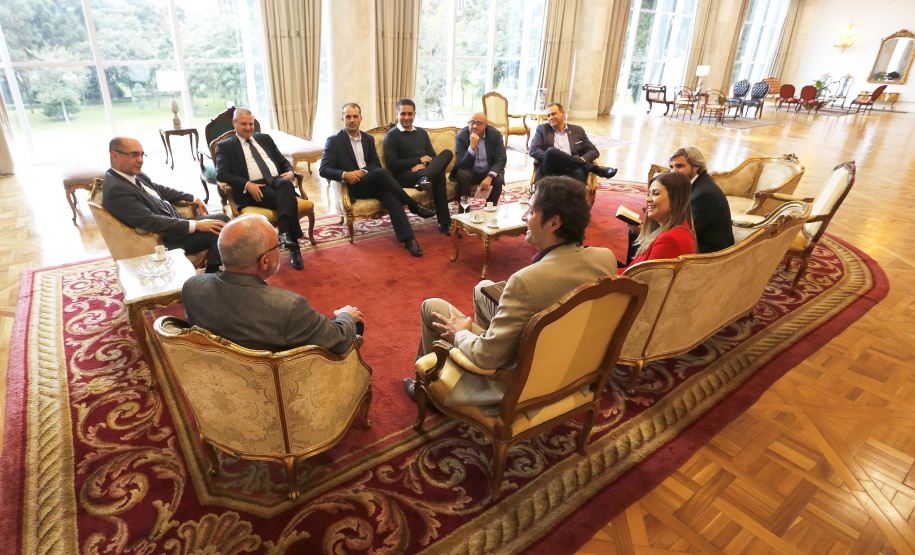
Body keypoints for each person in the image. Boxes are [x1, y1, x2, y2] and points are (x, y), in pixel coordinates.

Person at [403, 176, 618, 408]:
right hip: (571, 369)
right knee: (483, 288)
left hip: (518, 384)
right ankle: (492, 336)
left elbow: (486, 358)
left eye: (532, 211)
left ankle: (427, 388)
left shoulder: (526, 282)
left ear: (555, 222)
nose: (524, 217)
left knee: (431, 306)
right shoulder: (605, 258)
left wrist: (460, 333)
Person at [183, 214, 363, 354]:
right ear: (264, 261)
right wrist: (346, 316)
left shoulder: (192, 286)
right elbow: (339, 341)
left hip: (217, 382)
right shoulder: (289, 307)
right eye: (279, 245)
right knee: (355, 325)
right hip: (276, 388)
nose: (281, 249)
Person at [320, 102, 435, 257]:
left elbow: (375, 163)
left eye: (355, 116)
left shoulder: (368, 139)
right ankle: (413, 204)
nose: (352, 120)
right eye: (348, 117)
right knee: (381, 173)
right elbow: (323, 169)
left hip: (372, 182)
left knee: (391, 195)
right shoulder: (334, 141)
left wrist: (362, 171)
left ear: (361, 118)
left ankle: (410, 240)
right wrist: (345, 174)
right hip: (354, 186)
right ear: (343, 119)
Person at [102, 136, 228, 273]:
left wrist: (191, 197)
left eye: (141, 154)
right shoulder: (117, 189)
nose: (140, 160)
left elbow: (157, 189)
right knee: (219, 229)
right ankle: (216, 276)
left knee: (223, 219)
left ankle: (221, 271)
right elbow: (150, 220)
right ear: (115, 155)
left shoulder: (131, 174)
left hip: (176, 225)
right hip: (167, 240)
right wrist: (197, 225)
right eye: (134, 155)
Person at [214, 107, 307, 270]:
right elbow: (221, 174)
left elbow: (283, 161)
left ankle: (284, 233)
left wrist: (291, 173)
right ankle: (295, 249)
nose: (249, 128)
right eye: (244, 124)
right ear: (234, 123)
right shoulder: (226, 146)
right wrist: (246, 184)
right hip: (254, 188)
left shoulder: (264, 139)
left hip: (276, 181)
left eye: (251, 124)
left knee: (286, 184)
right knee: (288, 198)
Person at [623, 146, 734, 264]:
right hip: (690, 239)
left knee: (640, 232)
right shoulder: (690, 185)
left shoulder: (705, 193)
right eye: (672, 167)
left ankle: (630, 274)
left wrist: (645, 230)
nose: (674, 171)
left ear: (696, 167)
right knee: (638, 230)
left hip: (707, 254)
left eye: (679, 166)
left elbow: (689, 229)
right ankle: (630, 268)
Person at [383, 98, 455, 235]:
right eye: (403, 114)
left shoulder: (421, 132)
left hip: (423, 171)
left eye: (410, 114)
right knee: (439, 175)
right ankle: (444, 223)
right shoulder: (392, 136)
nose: (406, 117)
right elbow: (392, 164)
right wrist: (418, 160)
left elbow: (433, 157)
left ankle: (426, 178)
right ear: (397, 114)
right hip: (404, 175)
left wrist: (424, 164)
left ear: (414, 114)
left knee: (447, 153)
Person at [619, 172, 696, 273]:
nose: (648, 199)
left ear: (674, 200)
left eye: (656, 193)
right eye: (648, 194)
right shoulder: (676, 227)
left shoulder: (669, 239)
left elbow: (645, 282)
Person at [528, 102, 617, 183]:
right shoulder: (542, 129)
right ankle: (595, 169)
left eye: (553, 114)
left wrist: (580, 160)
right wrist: (554, 157)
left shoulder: (577, 130)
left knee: (580, 172)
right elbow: (533, 150)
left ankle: (577, 200)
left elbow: (593, 151)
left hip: (573, 168)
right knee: (551, 151)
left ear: (562, 113)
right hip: (551, 169)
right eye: (548, 116)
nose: (550, 118)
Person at [449, 112, 506, 210]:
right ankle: (464, 211)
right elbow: (463, 164)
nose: (474, 126)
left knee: (498, 179)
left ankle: (490, 209)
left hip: (488, 169)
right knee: (462, 175)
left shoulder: (495, 134)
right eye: (472, 122)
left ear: (485, 125)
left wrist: (490, 176)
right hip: (471, 170)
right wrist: (472, 147)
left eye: (479, 123)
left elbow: (501, 158)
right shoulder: (461, 136)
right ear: (468, 123)